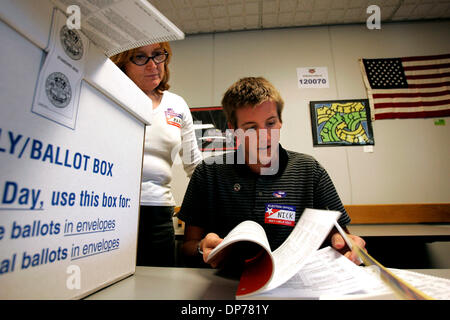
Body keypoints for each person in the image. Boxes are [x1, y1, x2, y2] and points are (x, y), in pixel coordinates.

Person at [178, 76, 366, 268]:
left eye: (270, 123)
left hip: (293, 286)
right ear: (233, 129)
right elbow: (188, 247)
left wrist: (347, 247)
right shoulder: (208, 173)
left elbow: (341, 237)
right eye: (251, 128)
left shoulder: (310, 170)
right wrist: (202, 247)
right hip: (224, 284)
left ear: (280, 121)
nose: (264, 136)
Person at [110, 42, 202, 267]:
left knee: (158, 284)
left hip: (159, 212)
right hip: (113, 209)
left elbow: (194, 165)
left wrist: (226, 185)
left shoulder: (176, 104)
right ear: (124, 64)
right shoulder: (110, 95)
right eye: (140, 57)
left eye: (158, 55)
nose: (153, 65)